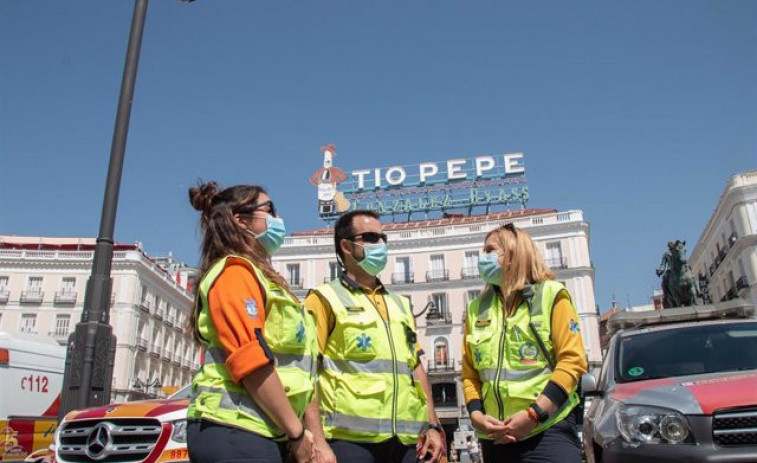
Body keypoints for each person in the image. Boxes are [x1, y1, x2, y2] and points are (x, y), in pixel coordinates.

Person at [186, 182, 319, 463]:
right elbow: (251, 361)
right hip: (235, 428)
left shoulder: (261, 277)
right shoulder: (234, 273)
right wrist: (296, 433)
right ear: (240, 220)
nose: (277, 219)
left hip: (264, 428)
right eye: (269, 209)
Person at [303, 210, 445, 463]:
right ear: (346, 246)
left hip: (406, 441)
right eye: (370, 237)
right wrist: (317, 440)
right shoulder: (323, 299)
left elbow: (416, 368)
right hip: (349, 442)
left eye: (383, 238)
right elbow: (306, 372)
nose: (380, 244)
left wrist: (433, 425)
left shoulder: (400, 304)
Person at [461, 223, 588, 463]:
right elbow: (470, 374)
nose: (482, 258)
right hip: (496, 438)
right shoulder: (475, 308)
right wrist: (477, 415)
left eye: (490, 250)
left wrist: (534, 414)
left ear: (513, 254)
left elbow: (572, 361)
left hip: (547, 431)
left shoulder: (552, 294)